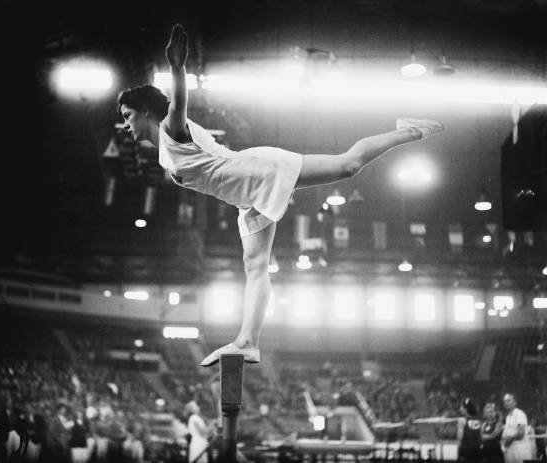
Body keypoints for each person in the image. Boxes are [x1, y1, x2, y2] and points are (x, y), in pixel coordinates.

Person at [117, 23, 444, 366]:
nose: (126, 125)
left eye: (128, 116)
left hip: (260, 170)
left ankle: (408, 130)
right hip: (245, 198)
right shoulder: (163, 152)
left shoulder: (170, 130)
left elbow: (178, 102)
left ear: (147, 112)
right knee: (255, 266)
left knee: (348, 165)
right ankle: (247, 342)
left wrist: (177, 66)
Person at [501, 393, 530, 463]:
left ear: (515, 402)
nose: (506, 403)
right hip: (510, 450)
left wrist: (508, 441)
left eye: (509, 400)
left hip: (520, 450)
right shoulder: (508, 417)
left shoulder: (519, 413)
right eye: (504, 401)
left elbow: (521, 433)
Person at [457, 397, 483, 462]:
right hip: (477, 452)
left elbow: (459, 437)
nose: (460, 409)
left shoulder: (462, 420)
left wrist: (458, 451)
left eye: (461, 407)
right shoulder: (479, 421)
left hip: (466, 452)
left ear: (466, 409)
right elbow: (481, 436)